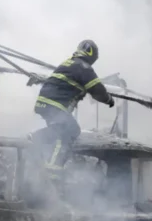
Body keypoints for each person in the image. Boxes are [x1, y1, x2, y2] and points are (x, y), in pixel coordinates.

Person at [30, 40, 114, 188]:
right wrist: (109, 100)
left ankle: (38, 142)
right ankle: (53, 170)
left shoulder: (68, 63)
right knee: (69, 130)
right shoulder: (84, 68)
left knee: (60, 131)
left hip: (45, 102)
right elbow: (98, 91)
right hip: (55, 104)